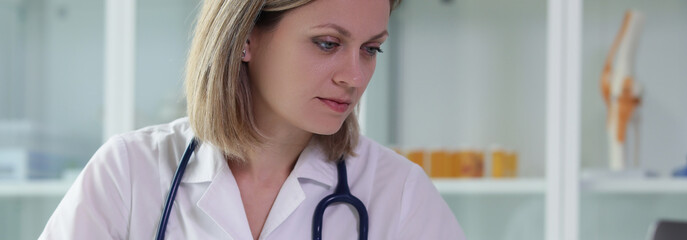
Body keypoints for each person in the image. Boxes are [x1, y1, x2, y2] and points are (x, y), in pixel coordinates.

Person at [40, 0, 465, 239]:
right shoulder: (128, 173)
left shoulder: (399, 194)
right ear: (245, 38)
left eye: (371, 49)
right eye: (327, 43)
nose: (354, 76)